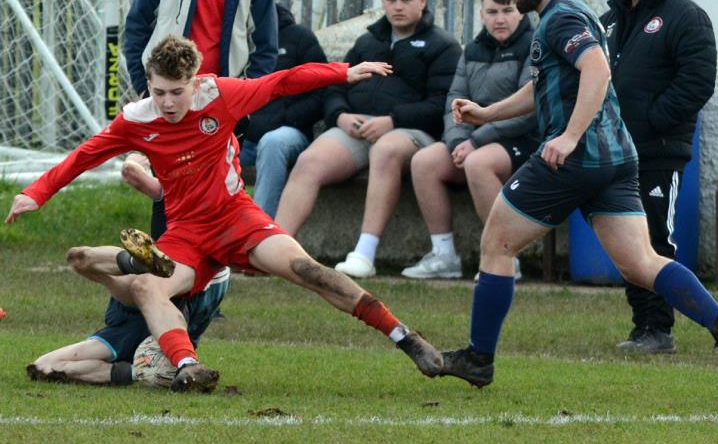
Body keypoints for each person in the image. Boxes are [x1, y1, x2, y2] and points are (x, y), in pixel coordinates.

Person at [6, 35, 443, 393]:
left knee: (308, 270)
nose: (168, 102)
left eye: (177, 92)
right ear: (148, 86)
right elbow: (83, 156)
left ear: (195, 83)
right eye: (159, 92)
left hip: (236, 217)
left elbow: (283, 81)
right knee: (145, 286)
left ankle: (407, 339)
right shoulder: (137, 120)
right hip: (187, 233)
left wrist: (343, 72)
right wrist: (36, 194)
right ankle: (186, 366)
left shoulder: (222, 95)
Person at [439, 0, 718, 396]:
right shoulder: (577, 13)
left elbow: (597, 71)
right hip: (617, 159)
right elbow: (545, 84)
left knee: (496, 246)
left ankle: (478, 358)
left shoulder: (562, 17)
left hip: (575, 159)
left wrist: (567, 136)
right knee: (640, 262)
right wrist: (487, 113)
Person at [275, 0, 462, 278]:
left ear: (423, 0)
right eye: (391, 0)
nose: (397, 7)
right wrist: (340, 115)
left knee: (386, 149)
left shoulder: (442, 46)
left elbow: (441, 104)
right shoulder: (367, 42)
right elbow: (336, 83)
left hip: (413, 134)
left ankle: (364, 253)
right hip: (358, 127)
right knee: (310, 161)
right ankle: (277, 250)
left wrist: (393, 120)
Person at [124, 0, 278, 238]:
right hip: (170, 95)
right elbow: (136, 26)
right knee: (169, 185)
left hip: (216, 100)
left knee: (216, 192)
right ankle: (167, 266)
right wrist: (144, 83)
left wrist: (242, 100)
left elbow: (266, 48)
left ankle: (208, 274)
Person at [600, 0, 717, 354]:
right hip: (612, 151)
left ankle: (659, 329)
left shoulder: (686, 16)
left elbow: (698, 81)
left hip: (658, 150)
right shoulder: (607, 20)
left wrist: (653, 121)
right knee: (626, 242)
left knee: (655, 239)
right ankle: (641, 324)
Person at [402, 0, 538, 279]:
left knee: (478, 163)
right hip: (474, 140)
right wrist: (456, 141)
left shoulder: (535, 46)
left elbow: (530, 108)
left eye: (507, 10)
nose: (499, 19)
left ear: (521, 13)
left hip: (524, 139)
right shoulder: (473, 49)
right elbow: (455, 99)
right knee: (424, 161)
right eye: (491, 11)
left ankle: (504, 257)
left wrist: (475, 141)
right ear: (481, 14)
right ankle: (444, 256)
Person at [26, 244, 228, 387]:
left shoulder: (129, 312)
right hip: (180, 314)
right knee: (83, 259)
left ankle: (141, 371)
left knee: (43, 366)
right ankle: (146, 370)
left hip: (135, 327)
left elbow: (79, 257)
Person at [240, 2, 329, 216]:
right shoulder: (234, 41)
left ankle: (261, 232)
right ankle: (208, 231)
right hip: (245, 134)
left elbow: (323, 91)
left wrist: (287, 117)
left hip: (289, 131)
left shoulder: (298, 37)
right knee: (214, 147)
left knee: (273, 143)